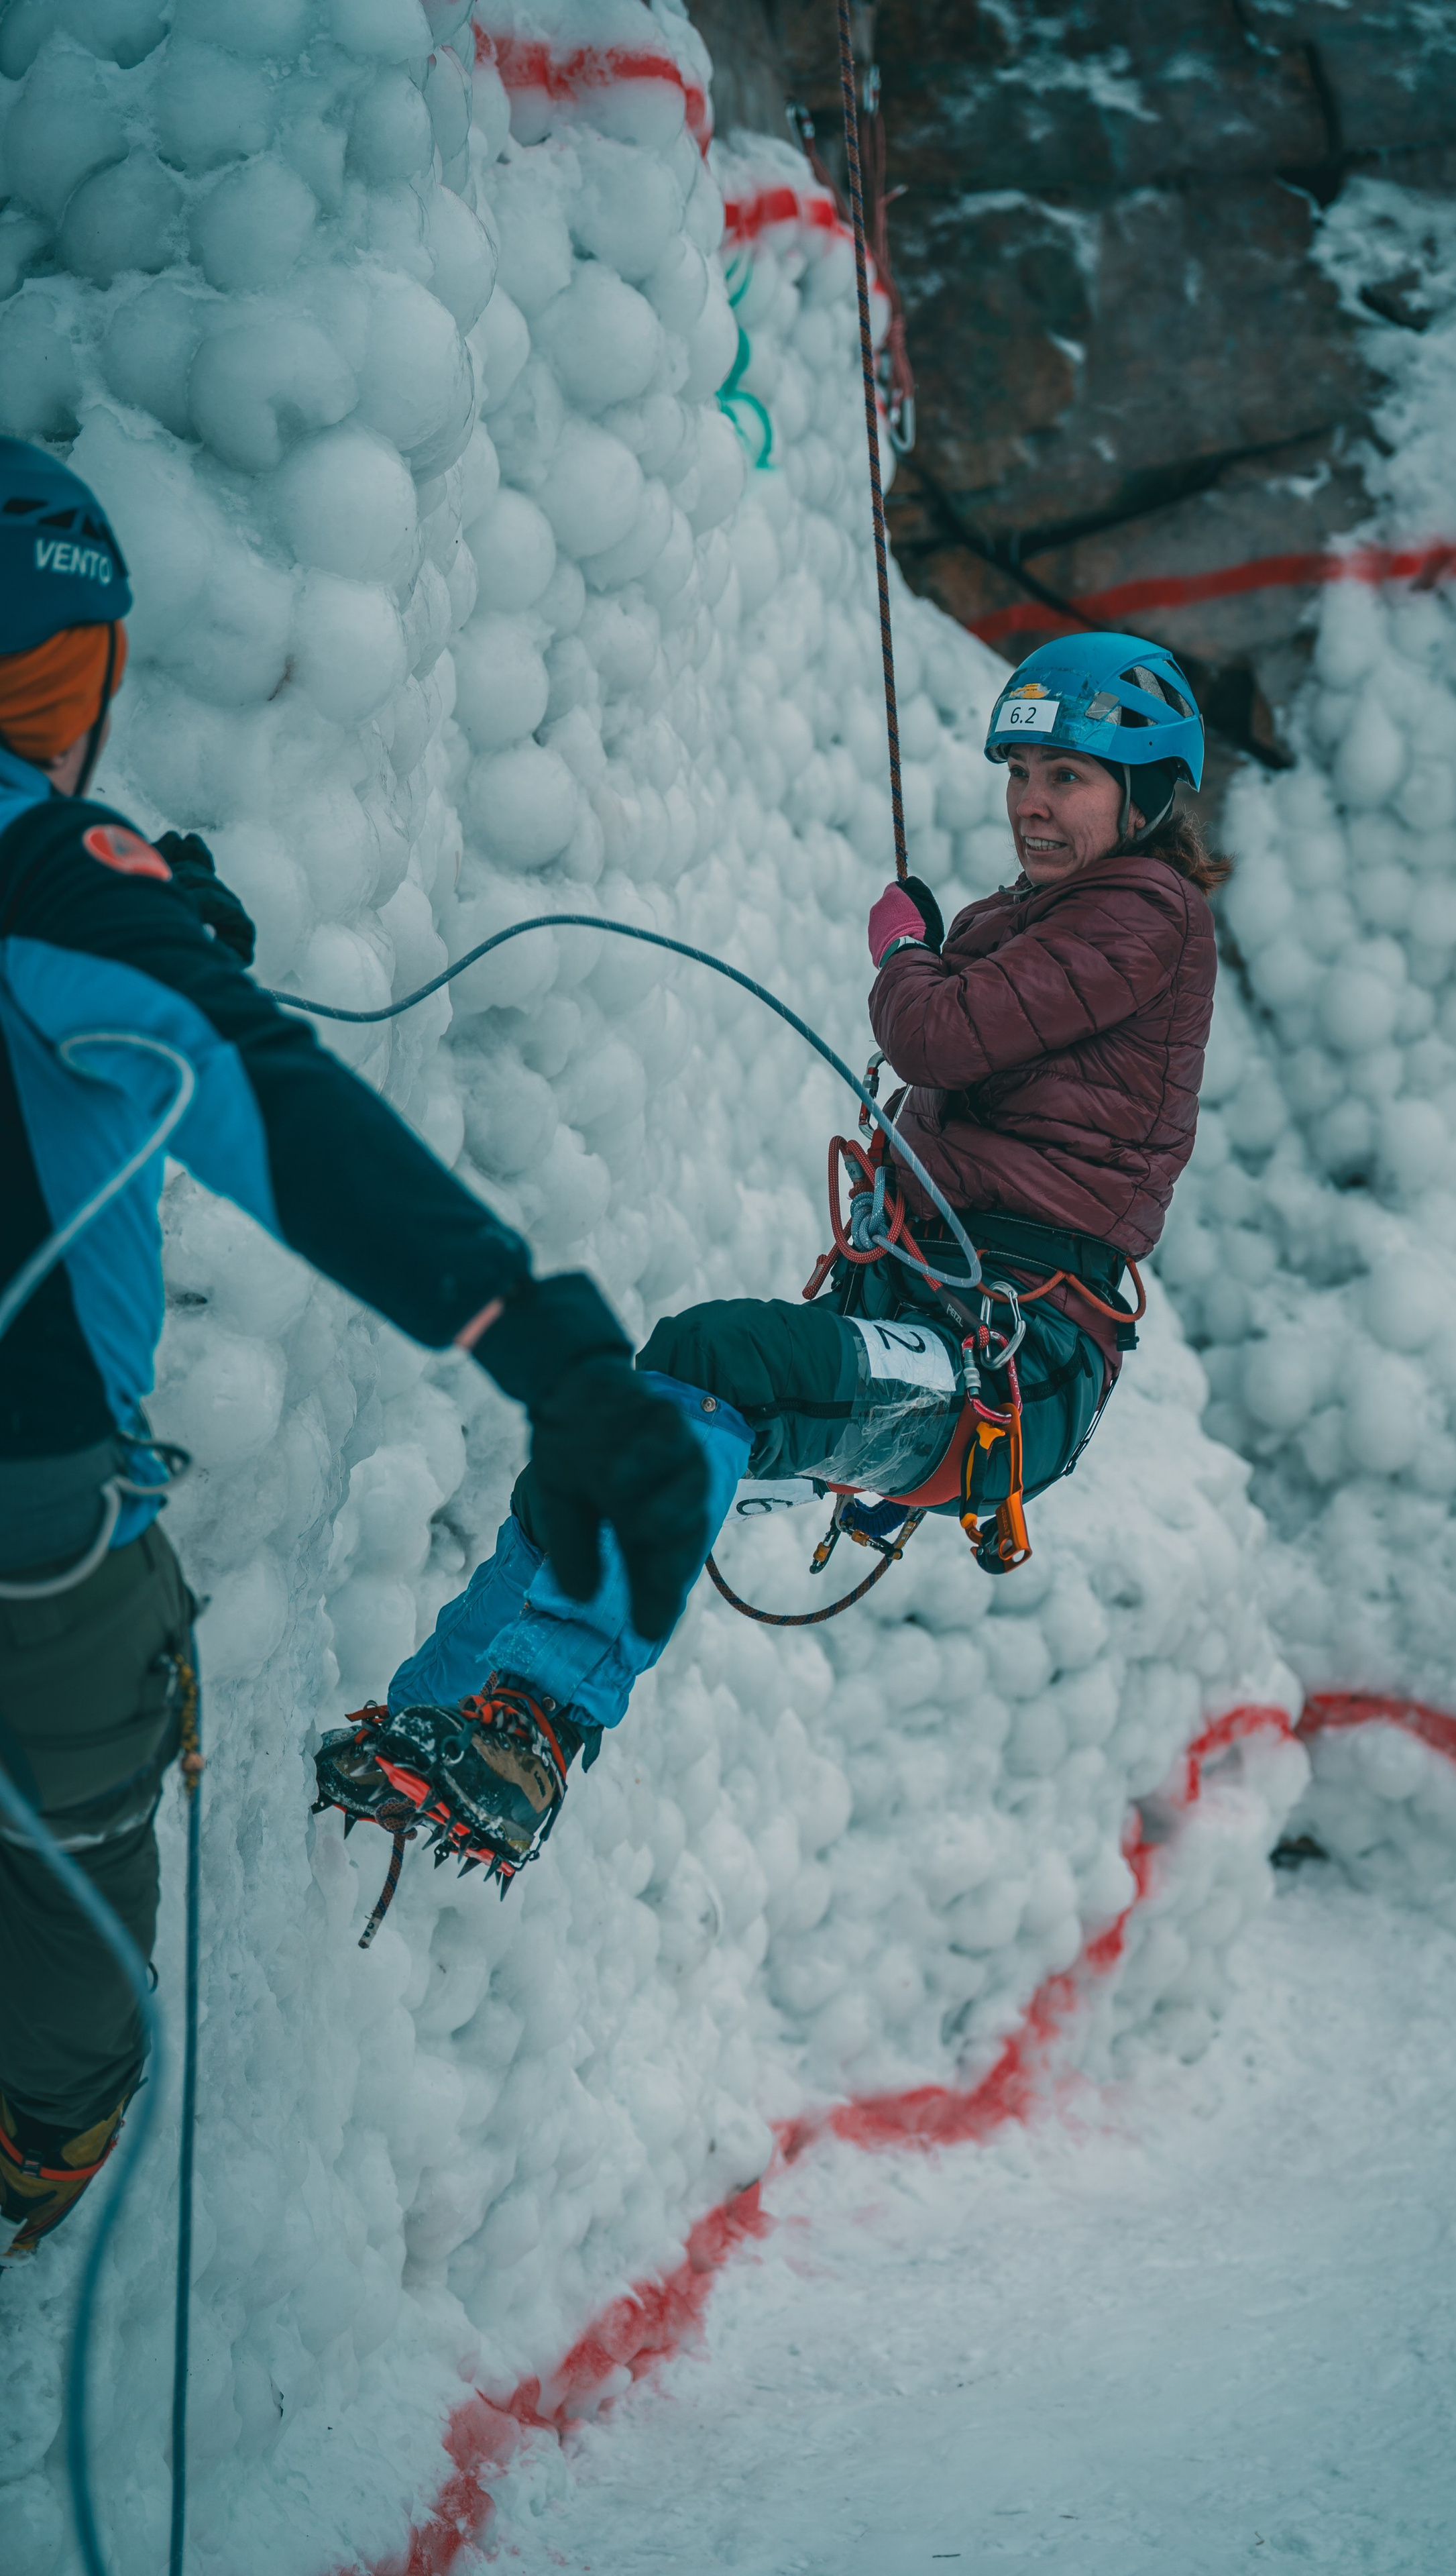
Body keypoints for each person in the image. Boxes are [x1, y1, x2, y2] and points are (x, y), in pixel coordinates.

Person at [0, 438, 714, 2259]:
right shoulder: (52, 880)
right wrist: (549, 1344)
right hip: (31, 1544)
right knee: (66, 2024)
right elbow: (281, 1109)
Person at [316, 634, 1227, 1895]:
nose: (1031, 799)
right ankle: (437, 1721)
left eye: (1068, 775)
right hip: (950, 1330)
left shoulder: (1148, 913)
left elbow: (942, 1036)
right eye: (1021, 769)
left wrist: (908, 950)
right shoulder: (1037, 922)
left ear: (1144, 795)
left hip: (1009, 1360)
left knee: (708, 1359)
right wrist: (947, 942)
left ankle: (530, 1729)